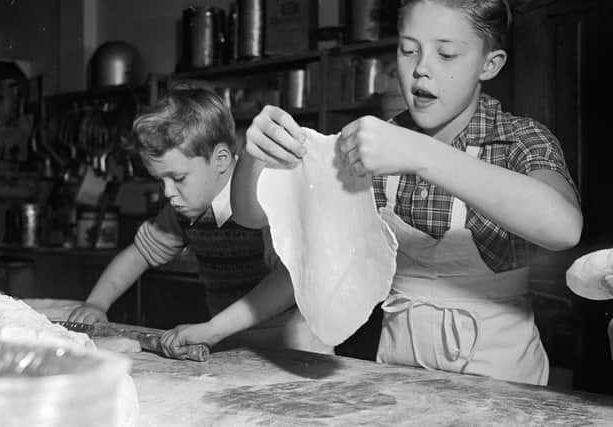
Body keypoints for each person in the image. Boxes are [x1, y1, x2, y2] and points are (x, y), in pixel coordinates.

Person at [231, 0, 582, 385]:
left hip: (504, 382)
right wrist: (253, 159)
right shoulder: (374, 142)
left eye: (446, 53)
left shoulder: (518, 141)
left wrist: (420, 153)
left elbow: (563, 228)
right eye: (408, 49)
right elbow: (251, 216)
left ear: (490, 64)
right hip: (398, 375)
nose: (421, 69)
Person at [68, 88, 331, 358]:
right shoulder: (183, 210)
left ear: (220, 160)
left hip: (295, 345)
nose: (167, 192)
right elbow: (138, 255)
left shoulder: (263, 192)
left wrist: (214, 329)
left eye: (178, 178)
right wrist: (97, 303)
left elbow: (289, 281)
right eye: (161, 181)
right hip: (230, 340)